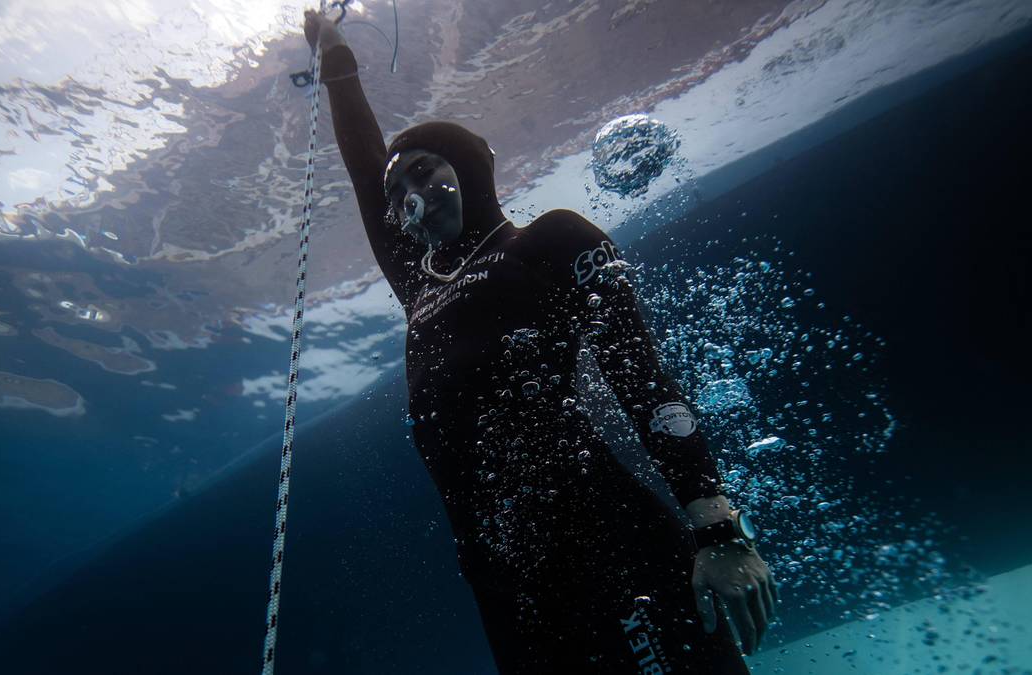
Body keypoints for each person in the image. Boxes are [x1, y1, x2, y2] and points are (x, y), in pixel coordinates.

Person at [304, 10, 778, 673]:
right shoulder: (419, 289)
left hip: (611, 542)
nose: (410, 195)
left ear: (469, 167)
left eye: (425, 170)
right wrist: (334, 57)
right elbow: (363, 169)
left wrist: (718, 527)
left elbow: (642, 377)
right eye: (400, 190)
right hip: (507, 590)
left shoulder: (546, 242)